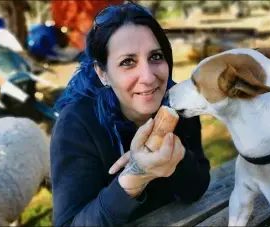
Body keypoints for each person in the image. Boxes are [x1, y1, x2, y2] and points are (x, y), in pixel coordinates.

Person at [50, 2, 211, 227]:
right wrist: (135, 176)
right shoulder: (77, 124)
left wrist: (179, 159)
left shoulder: (179, 105)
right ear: (102, 73)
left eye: (156, 56)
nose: (147, 76)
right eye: (128, 62)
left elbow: (197, 187)